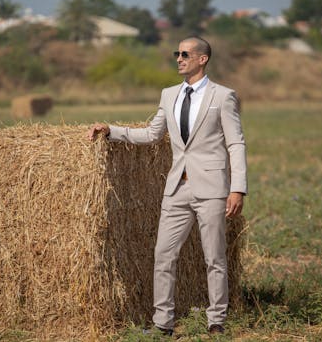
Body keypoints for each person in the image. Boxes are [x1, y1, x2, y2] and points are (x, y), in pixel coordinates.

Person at [88, 36, 247, 336]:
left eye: (185, 53)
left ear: (203, 59)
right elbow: (152, 134)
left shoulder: (223, 96)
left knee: (214, 257)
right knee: (163, 255)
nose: (178, 58)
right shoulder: (168, 94)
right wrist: (111, 131)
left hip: (212, 188)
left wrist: (237, 188)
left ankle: (216, 321)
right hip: (176, 188)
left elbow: (235, 143)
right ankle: (163, 323)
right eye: (177, 53)